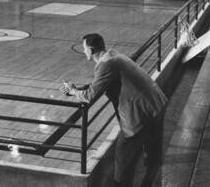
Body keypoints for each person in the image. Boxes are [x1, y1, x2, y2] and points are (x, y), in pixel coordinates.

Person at [61, 33, 168, 187]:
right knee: (153, 154)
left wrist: (72, 91)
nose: (84, 51)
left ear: (91, 50)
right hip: (157, 104)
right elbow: (105, 82)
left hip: (141, 115)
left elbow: (90, 95)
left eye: (84, 48)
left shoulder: (105, 64)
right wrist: (84, 87)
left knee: (123, 156)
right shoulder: (113, 55)